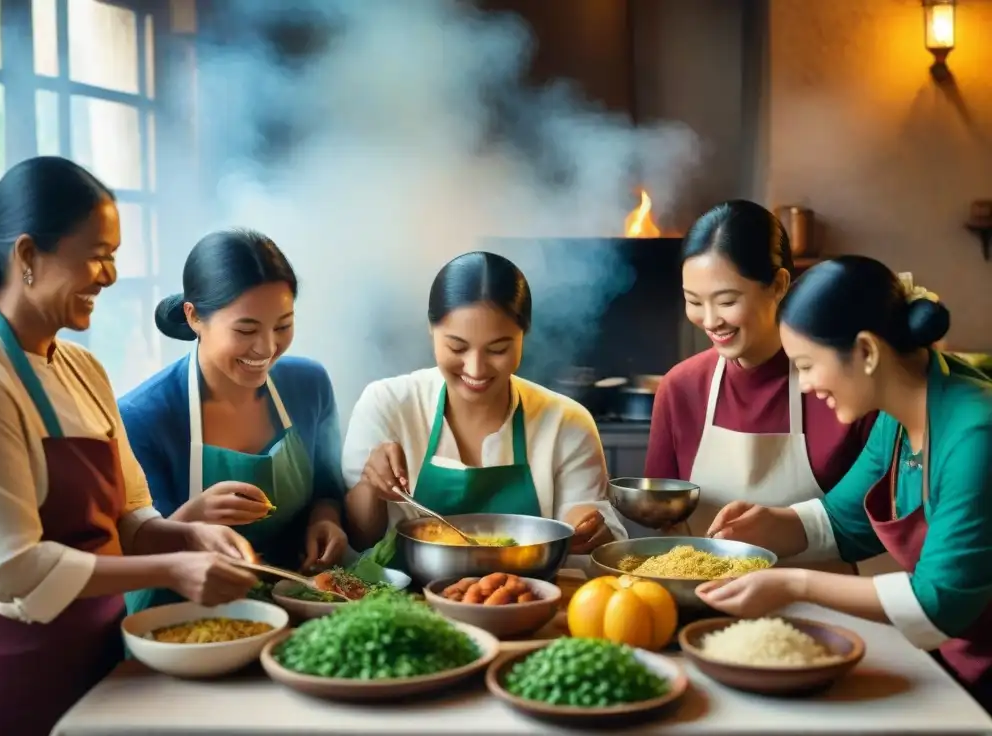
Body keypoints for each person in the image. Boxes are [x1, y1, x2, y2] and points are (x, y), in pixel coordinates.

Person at [0, 157, 259, 736]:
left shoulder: (84, 369)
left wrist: (192, 537)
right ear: (27, 255)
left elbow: (130, 515)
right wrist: (173, 570)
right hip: (17, 670)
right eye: (97, 254)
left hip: (104, 654)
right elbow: (13, 568)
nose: (111, 274)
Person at [699, 256, 992, 710]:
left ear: (867, 352)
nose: (804, 385)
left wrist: (793, 584)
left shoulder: (976, 434)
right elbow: (841, 521)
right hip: (953, 665)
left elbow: (939, 604)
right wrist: (769, 525)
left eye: (808, 365)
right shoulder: (896, 419)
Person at [119, 229, 347, 613]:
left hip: (298, 602)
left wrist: (326, 521)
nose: (267, 348)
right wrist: (193, 519)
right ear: (194, 317)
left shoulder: (309, 385)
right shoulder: (143, 415)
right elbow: (136, 549)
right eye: (246, 330)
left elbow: (327, 489)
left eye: (283, 325)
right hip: (183, 616)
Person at [342, 250, 627, 557]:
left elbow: (588, 527)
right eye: (457, 347)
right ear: (430, 329)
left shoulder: (566, 422)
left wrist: (587, 528)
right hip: (402, 599)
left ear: (523, 334)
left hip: (525, 595)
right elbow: (359, 538)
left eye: (498, 349)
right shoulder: (387, 405)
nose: (475, 369)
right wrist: (371, 485)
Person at [641, 201, 875, 574]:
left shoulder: (839, 387)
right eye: (694, 302)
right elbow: (662, 517)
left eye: (727, 301)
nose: (711, 320)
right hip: (703, 604)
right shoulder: (680, 387)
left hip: (825, 610)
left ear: (779, 284)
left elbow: (871, 522)